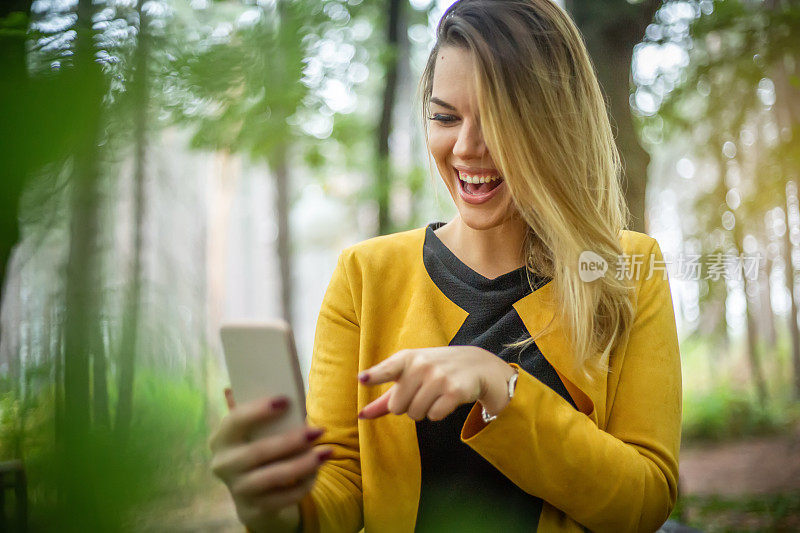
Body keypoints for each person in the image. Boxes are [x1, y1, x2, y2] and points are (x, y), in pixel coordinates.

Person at [208, 0, 682, 532]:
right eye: (444, 117)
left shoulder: (627, 269)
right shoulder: (366, 275)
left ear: (556, 120)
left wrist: (500, 386)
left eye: (499, 119)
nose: (466, 147)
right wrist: (280, 508)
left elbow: (643, 502)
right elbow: (341, 483)